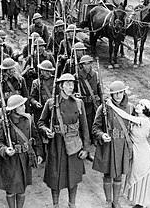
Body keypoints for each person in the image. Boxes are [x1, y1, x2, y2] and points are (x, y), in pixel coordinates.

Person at [37, 73, 89, 208]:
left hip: (73, 145)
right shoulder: (51, 103)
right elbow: (40, 122)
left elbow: (84, 128)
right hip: (56, 146)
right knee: (55, 178)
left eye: (72, 84)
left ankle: (72, 204)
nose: (71, 87)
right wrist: (45, 130)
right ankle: (55, 205)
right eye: (68, 84)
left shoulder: (78, 103)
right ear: (61, 86)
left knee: (73, 177)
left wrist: (86, 149)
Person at [0, 94, 43, 208]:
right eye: (21, 106)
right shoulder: (3, 123)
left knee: (22, 187)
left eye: (23, 105)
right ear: (14, 109)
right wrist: (5, 149)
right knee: (10, 189)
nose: (24, 108)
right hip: (10, 160)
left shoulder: (28, 119)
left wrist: (39, 153)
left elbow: (36, 137)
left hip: (25, 157)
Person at [92, 80, 134, 208]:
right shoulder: (104, 108)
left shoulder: (130, 108)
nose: (118, 96)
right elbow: (95, 127)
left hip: (122, 145)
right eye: (115, 93)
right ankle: (108, 200)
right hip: (108, 146)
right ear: (111, 95)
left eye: (121, 92)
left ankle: (116, 201)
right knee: (107, 174)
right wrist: (101, 135)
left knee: (119, 175)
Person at [117, 99, 150, 208]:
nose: (138, 106)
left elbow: (125, 115)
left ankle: (141, 203)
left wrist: (111, 105)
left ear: (146, 110)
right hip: (136, 150)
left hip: (142, 152)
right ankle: (138, 201)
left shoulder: (144, 120)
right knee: (134, 173)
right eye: (138, 104)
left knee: (140, 175)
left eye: (142, 105)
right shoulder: (138, 119)